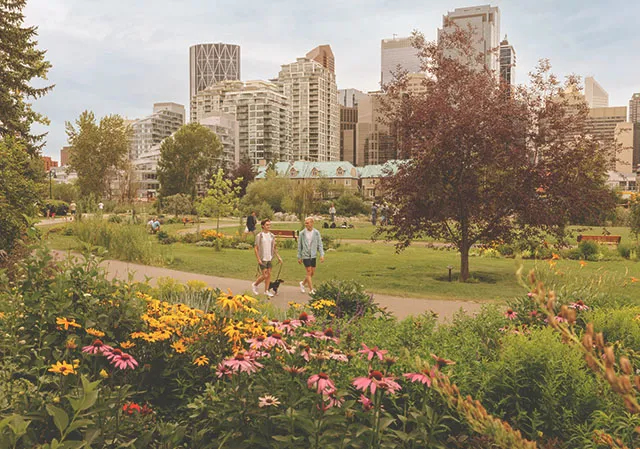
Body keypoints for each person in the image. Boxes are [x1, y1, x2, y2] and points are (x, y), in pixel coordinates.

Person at [251, 219, 282, 297]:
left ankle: (266, 291)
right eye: (267, 225)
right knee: (265, 275)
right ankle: (255, 284)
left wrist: (278, 257)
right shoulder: (259, 236)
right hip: (262, 258)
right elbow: (256, 248)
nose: (269, 226)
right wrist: (258, 259)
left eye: (269, 225)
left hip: (269, 258)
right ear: (263, 226)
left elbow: (274, 248)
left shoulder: (272, 236)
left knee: (269, 274)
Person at [297, 217, 325, 295]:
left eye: (307, 223)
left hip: (313, 255)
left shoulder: (316, 233)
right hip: (305, 255)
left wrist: (322, 254)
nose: (306, 224)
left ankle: (302, 283)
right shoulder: (302, 233)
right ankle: (311, 290)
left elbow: (320, 244)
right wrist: (299, 257)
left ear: (312, 223)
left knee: (312, 273)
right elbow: (299, 246)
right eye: (305, 223)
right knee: (309, 271)